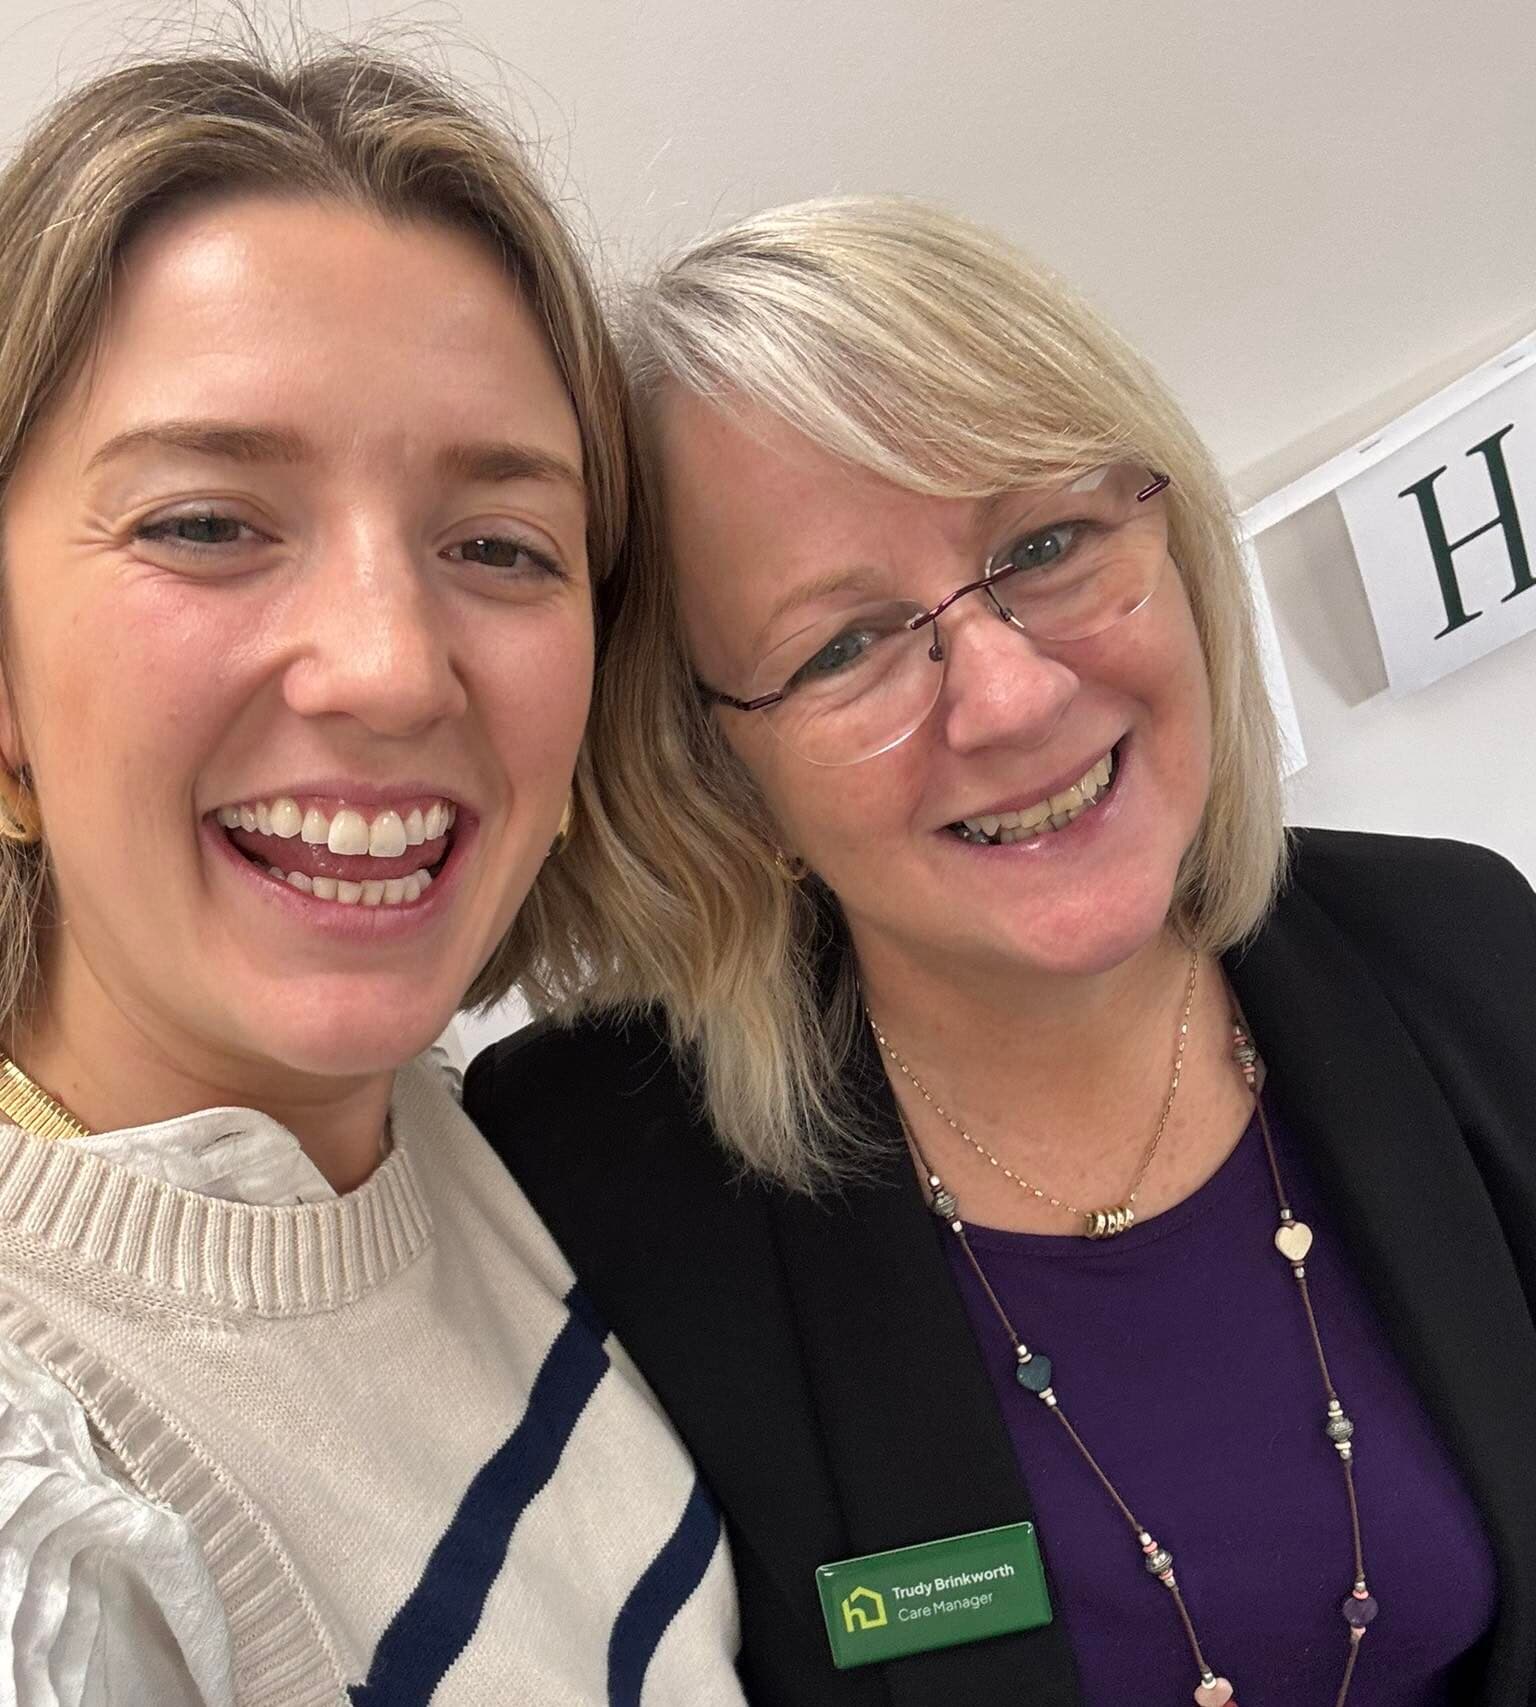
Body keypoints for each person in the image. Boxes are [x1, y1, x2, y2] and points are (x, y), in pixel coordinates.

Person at [467, 197, 1536, 1707]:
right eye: (843, 646)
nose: (1015, 696)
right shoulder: (583, 1178)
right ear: (723, 777)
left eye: (1046, 544)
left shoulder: (1467, 948)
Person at [0, 45, 744, 1707]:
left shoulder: (483, 1152)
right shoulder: (45, 1505)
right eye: (206, 524)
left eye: (498, 547)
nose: (393, 671)